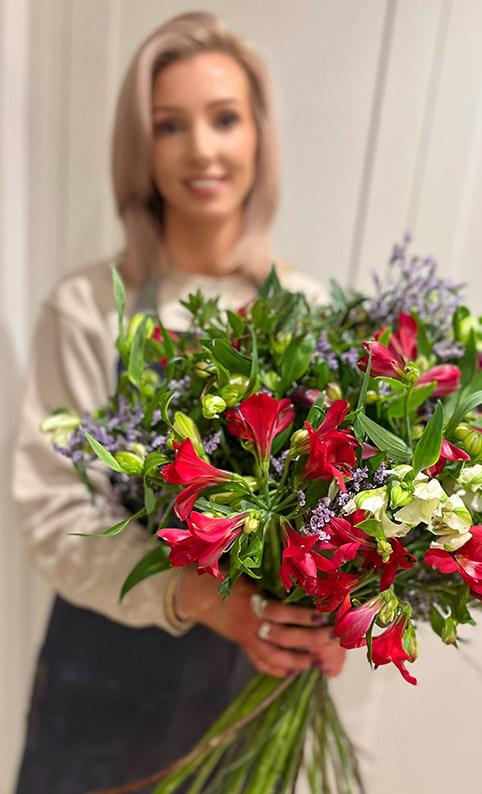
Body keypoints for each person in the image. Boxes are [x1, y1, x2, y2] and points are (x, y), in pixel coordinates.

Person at [12, 12, 345, 791]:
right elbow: (54, 515)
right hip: (105, 680)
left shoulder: (312, 308)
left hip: (248, 686)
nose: (201, 149)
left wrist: (332, 613)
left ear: (258, 135)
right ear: (142, 147)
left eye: (224, 118)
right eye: (170, 125)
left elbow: (344, 509)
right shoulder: (90, 307)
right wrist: (192, 594)